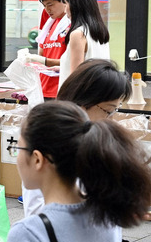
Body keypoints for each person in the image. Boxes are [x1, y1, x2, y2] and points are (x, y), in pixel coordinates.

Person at [7, 101, 151, 242]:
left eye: (17, 148)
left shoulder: (28, 235)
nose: (16, 156)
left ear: (37, 159)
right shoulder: (107, 214)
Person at [21, 59, 131, 217]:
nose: (112, 119)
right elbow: (36, 211)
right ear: (83, 104)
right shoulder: (50, 140)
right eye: (108, 111)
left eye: (115, 111)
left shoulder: (95, 141)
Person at [23, 0, 71, 99]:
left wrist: (42, 60)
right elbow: (42, 51)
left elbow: (74, 62)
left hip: (62, 89)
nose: (47, 9)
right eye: (44, 5)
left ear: (64, 1)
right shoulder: (49, 22)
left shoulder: (73, 25)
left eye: (50, 4)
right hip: (43, 87)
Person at [58, 0, 110, 87]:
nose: (65, 10)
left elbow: (75, 76)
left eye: (66, 4)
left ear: (75, 6)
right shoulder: (100, 31)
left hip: (79, 94)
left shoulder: (78, 34)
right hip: (99, 90)